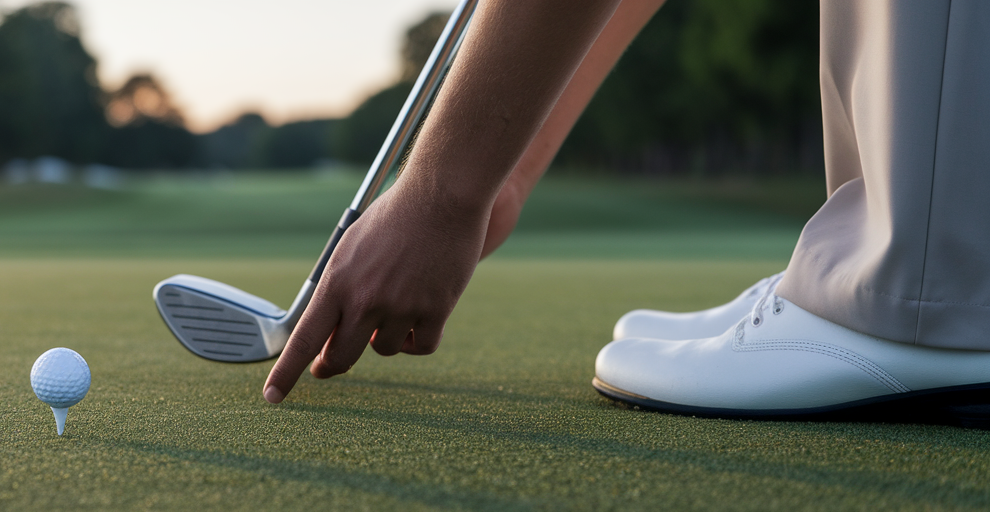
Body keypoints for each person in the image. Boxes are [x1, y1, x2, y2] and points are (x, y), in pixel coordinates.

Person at [262, 0, 990, 423]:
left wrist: (440, 192)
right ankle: (894, 265)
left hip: (937, 295)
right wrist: (501, 173)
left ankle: (915, 297)